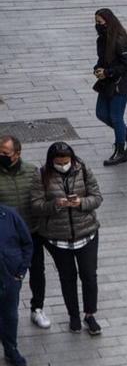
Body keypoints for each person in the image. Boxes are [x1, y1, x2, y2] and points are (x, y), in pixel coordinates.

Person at [32, 142, 103, 335]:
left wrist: (81, 202)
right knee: (67, 278)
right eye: (59, 162)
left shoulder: (83, 170)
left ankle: (89, 314)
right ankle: (73, 315)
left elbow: (97, 197)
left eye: (66, 161)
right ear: (51, 160)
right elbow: (36, 205)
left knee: (89, 275)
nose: (63, 165)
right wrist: (55, 204)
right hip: (57, 238)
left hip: (86, 233)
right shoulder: (41, 175)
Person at [0, 135, 51, 330]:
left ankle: (37, 308)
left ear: (17, 154)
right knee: (6, 277)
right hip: (6, 238)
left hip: (32, 232)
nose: (1, 155)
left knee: (37, 271)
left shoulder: (32, 172)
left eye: (5, 153)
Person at [92, 9, 127, 166]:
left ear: (109, 22)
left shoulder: (119, 40)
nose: (97, 25)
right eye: (96, 22)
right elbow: (102, 59)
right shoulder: (102, 39)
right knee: (101, 113)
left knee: (116, 117)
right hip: (106, 83)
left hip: (120, 85)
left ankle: (120, 150)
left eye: (100, 22)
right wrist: (98, 68)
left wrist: (108, 72)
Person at [0, 201, 31, 366]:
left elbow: (27, 243)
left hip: (10, 279)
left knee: (10, 316)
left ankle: (11, 349)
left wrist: (21, 271)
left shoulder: (10, 215)